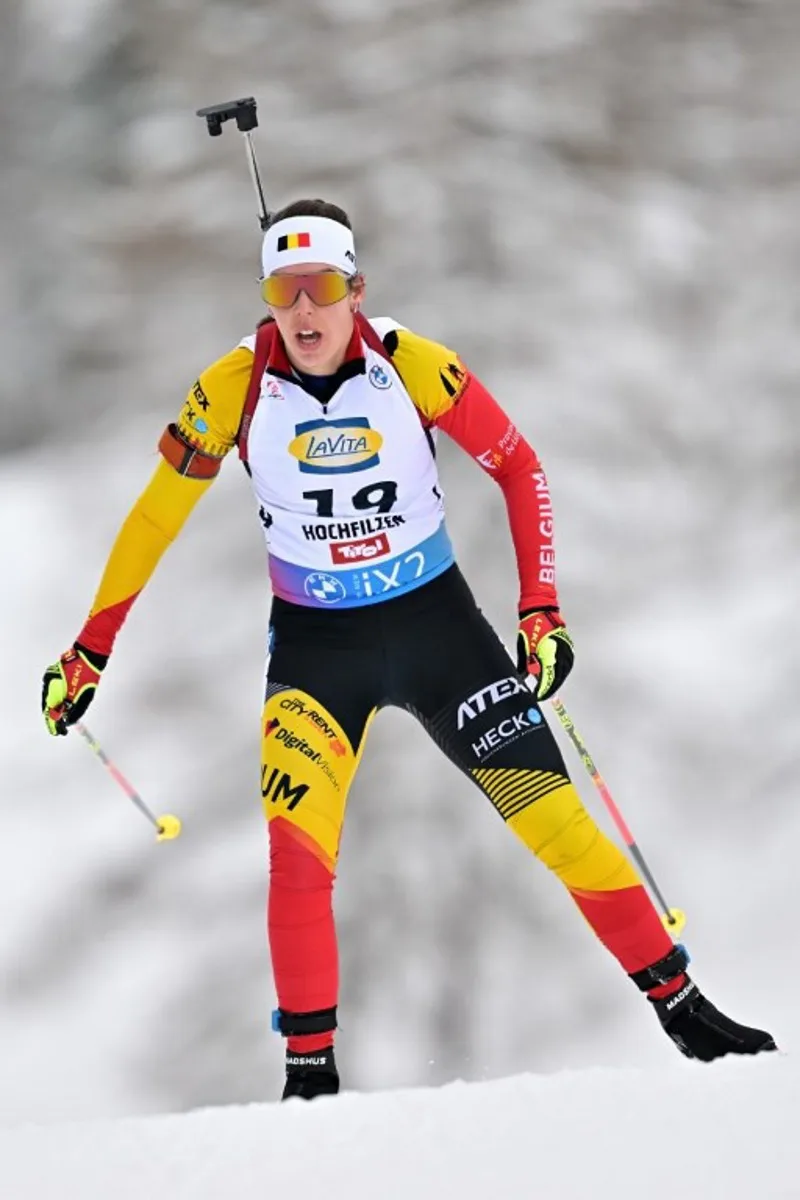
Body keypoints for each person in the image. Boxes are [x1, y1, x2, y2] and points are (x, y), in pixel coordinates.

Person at [41, 198, 776, 1101]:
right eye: (283, 291)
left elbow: (518, 464)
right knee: (297, 860)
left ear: (356, 289)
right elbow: (155, 516)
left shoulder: (410, 364)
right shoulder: (231, 389)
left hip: (438, 632)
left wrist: (540, 608)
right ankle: (309, 1084)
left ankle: (687, 1013)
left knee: (559, 824)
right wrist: (89, 651)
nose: (303, 313)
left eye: (321, 289)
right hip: (319, 650)